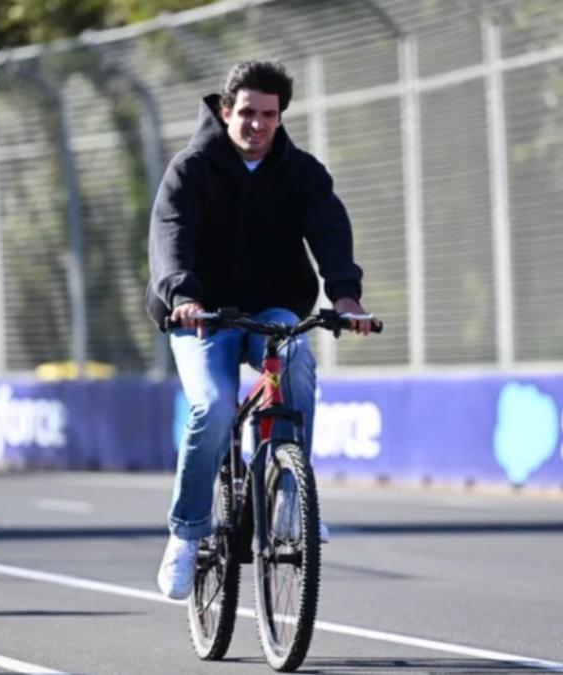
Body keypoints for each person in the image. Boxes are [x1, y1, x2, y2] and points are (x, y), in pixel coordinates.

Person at [146, 61, 374, 600]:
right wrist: (183, 295)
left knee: (295, 358)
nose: (257, 125)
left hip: (272, 307)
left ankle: (291, 495)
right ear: (226, 111)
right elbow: (170, 233)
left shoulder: (302, 173)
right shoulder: (192, 167)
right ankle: (187, 534)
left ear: (280, 117)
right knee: (214, 406)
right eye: (246, 113)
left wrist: (345, 294)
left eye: (268, 115)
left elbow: (329, 229)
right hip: (201, 314)